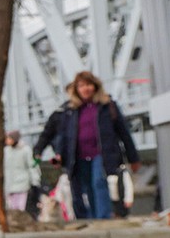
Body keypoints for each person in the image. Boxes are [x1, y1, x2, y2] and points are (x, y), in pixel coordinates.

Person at [33, 70, 139, 220]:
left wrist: (133, 157)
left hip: (101, 154)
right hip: (77, 157)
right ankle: (90, 218)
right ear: (76, 89)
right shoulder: (68, 111)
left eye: (88, 84)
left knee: (99, 182)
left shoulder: (107, 106)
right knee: (84, 188)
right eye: (81, 85)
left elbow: (124, 133)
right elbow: (57, 135)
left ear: (95, 86)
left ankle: (103, 218)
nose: (85, 89)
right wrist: (46, 153)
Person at [3, 130, 40, 212]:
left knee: (21, 208)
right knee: (11, 208)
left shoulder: (25, 150)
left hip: (22, 184)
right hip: (9, 185)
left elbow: (32, 166)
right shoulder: (6, 151)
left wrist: (35, 181)